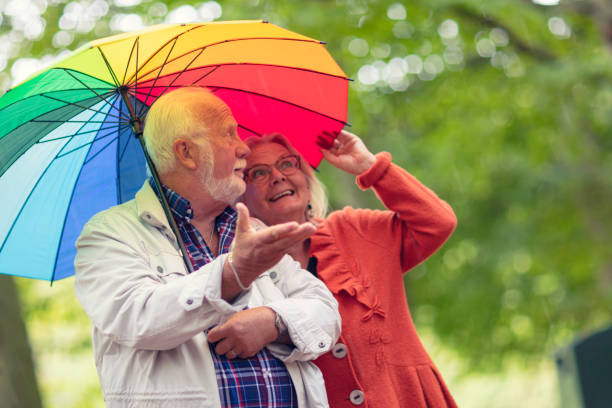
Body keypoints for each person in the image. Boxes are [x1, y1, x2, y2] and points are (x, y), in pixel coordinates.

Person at [74, 87, 341, 408]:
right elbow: (137, 317)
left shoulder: (249, 227)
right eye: (229, 134)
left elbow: (325, 311)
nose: (244, 148)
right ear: (186, 153)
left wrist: (273, 321)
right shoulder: (109, 232)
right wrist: (233, 275)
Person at [240, 130, 458, 407]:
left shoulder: (356, 229)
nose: (278, 176)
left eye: (287, 164)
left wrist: (370, 167)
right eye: (258, 173)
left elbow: (437, 222)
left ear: (307, 180)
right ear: (242, 198)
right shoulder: (245, 272)